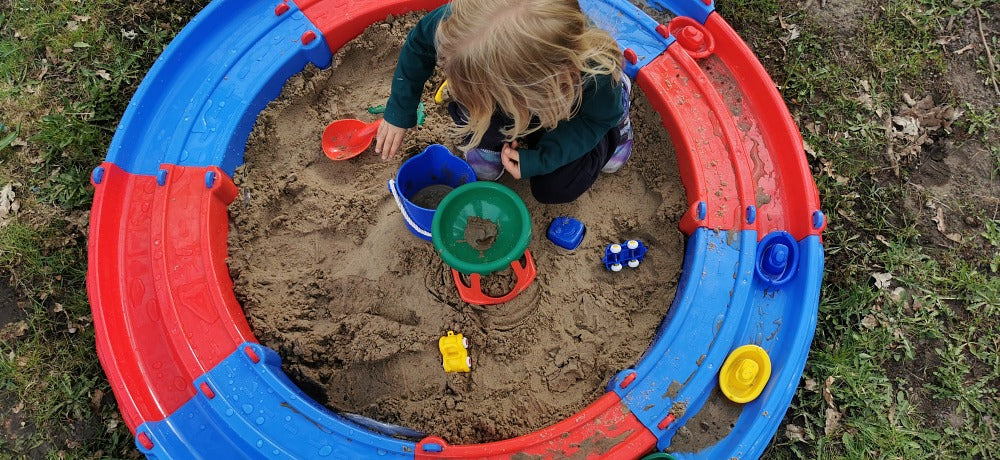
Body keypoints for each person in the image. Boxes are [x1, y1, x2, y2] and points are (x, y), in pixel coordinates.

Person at [375, 0, 633, 204]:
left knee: (556, 188)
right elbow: (419, 44)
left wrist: (541, 158)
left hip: (580, 109)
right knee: (473, 114)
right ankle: (491, 118)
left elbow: (593, 121)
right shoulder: (465, 24)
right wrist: (400, 109)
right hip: (516, 95)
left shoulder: (593, 75)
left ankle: (617, 120)